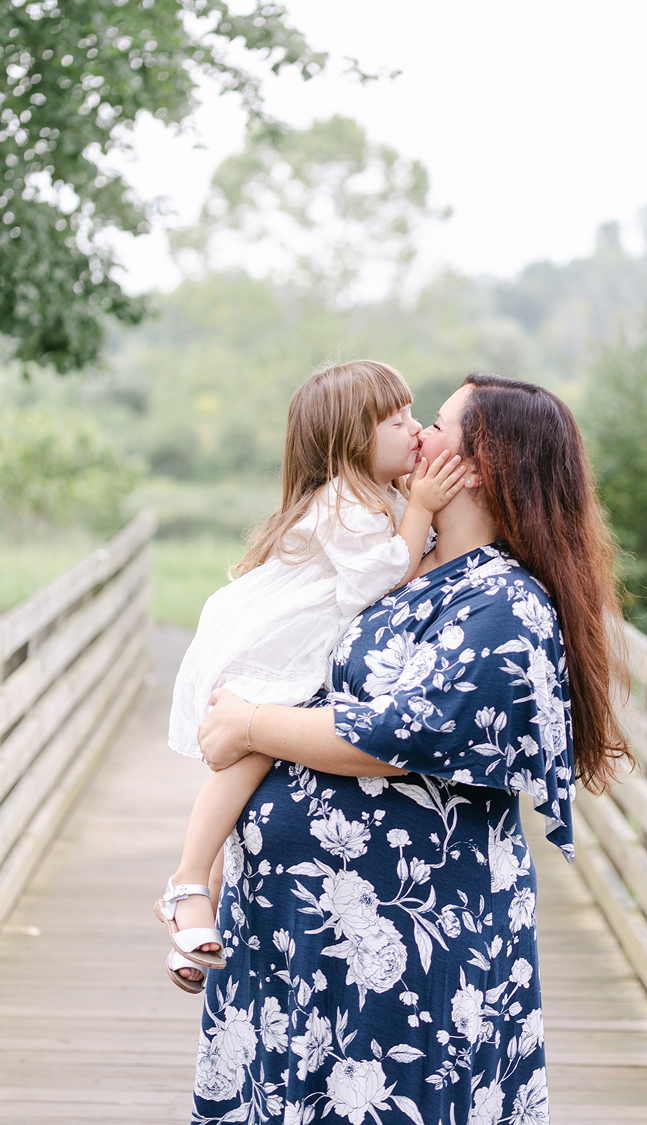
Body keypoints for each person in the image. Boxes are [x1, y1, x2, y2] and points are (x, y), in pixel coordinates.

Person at [190, 373, 631, 1124]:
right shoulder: (400, 559)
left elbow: (400, 734)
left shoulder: (504, 601)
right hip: (302, 926)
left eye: (438, 424)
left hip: (409, 939)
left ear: (482, 463)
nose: (418, 432)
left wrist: (250, 724)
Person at [159, 360, 465, 992]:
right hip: (276, 648)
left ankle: (200, 906)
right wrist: (425, 508)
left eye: (415, 415)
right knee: (244, 757)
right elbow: (386, 579)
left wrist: (415, 505)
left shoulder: (374, 496)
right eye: (397, 419)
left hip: (297, 645)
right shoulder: (345, 503)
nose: (414, 429)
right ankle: (188, 881)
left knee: (256, 761)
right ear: (353, 439)